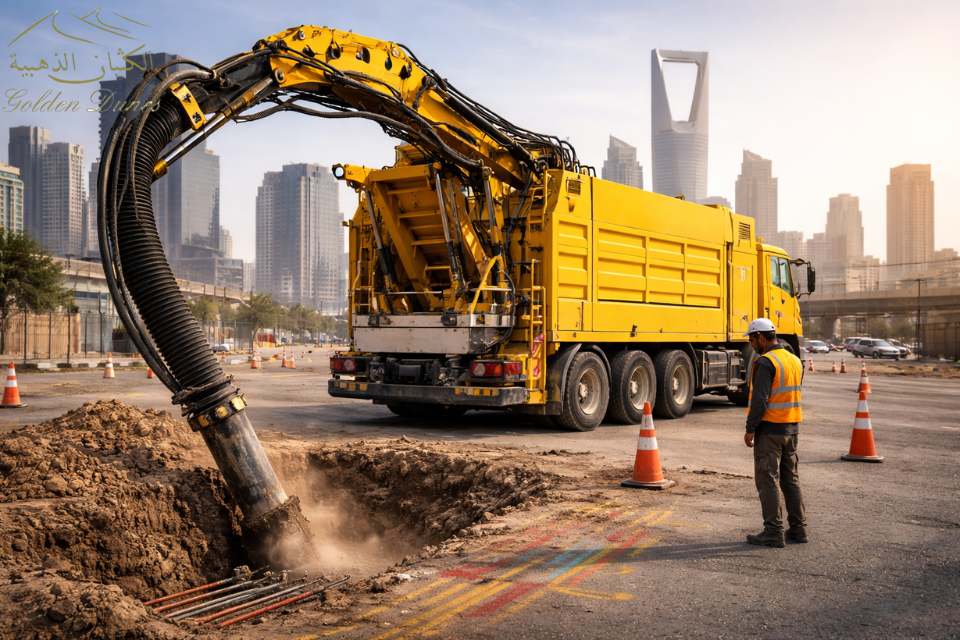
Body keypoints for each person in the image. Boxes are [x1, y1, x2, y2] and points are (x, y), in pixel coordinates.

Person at [742, 318, 808, 548]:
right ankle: (799, 530)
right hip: (792, 429)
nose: (750, 344)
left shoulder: (765, 362)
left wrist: (750, 428)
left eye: (751, 339)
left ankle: (773, 532)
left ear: (760, 337)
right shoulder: (795, 360)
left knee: (768, 481)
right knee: (791, 480)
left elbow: (759, 400)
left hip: (770, 431)